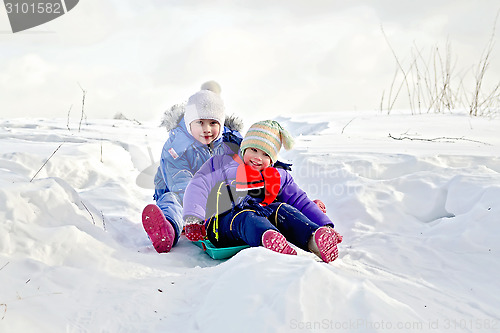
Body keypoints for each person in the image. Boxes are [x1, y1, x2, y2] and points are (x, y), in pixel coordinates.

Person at [182, 120, 342, 263]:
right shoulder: (222, 165)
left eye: (265, 154)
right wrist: (193, 218)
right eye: (253, 150)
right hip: (223, 225)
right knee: (245, 215)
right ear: (244, 148)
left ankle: (314, 240)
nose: (258, 157)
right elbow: (198, 185)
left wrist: (325, 224)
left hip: (260, 218)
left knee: (283, 209)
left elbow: (300, 201)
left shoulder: (278, 176)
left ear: (272, 160)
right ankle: (270, 239)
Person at [142, 81, 243, 253]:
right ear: (189, 122)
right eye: (200, 123)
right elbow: (179, 180)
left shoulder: (231, 142)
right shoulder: (177, 146)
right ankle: (167, 230)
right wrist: (195, 210)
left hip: (215, 195)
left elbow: (242, 168)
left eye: (213, 123)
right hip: (181, 193)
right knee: (171, 202)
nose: (207, 129)